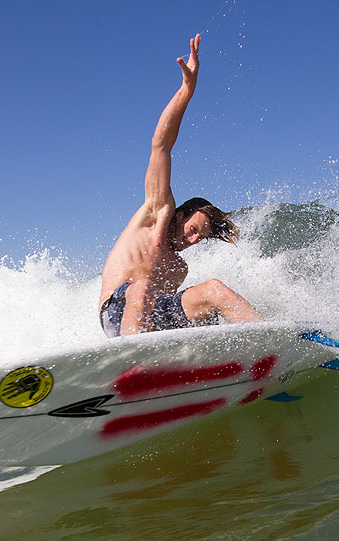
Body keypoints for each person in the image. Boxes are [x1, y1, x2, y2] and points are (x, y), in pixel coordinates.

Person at [99, 33, 261, 338]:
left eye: (201, 236)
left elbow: (175, 313)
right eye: (194, 228)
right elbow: (160, 145)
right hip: (118, 315)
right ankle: (132, 364)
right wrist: (187, 90)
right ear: (180, 214)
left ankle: (263, 344)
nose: (195, 239)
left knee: (213, 291)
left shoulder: (179, 269)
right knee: (142, 286)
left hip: (154, 318)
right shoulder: (155, 215)